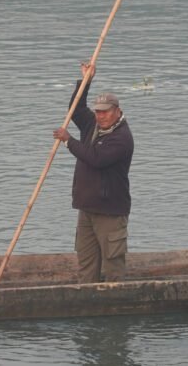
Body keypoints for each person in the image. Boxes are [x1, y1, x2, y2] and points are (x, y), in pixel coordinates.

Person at [53, 61, 134, 283]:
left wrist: (69, 141)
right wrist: (86, 81)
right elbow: (76, 109)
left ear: (117, 112)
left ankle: (116, 302)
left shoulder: (122, 138)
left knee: (112, 265)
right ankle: (87, 298)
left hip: (110, 211)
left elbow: (96, 159)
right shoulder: (93, 125)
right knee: (87, 262)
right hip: (87, 207)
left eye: (106, 112)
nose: (100, 116)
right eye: (98, 112)